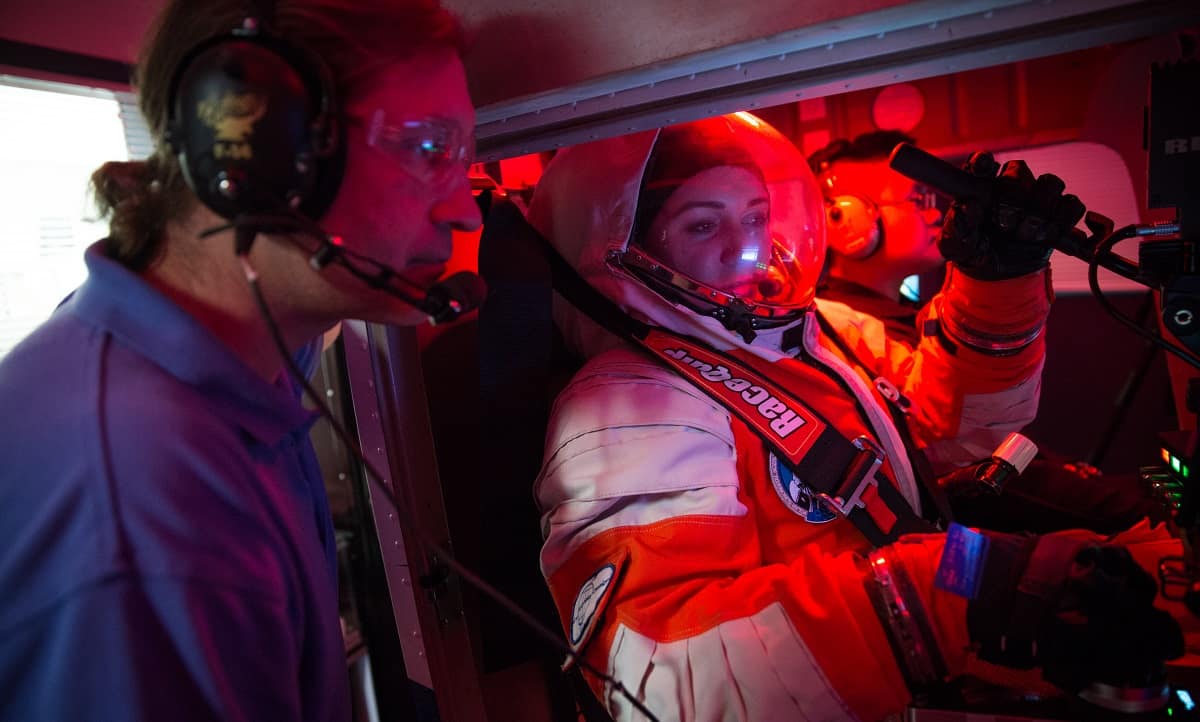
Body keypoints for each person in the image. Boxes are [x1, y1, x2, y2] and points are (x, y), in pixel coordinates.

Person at [527, 113, 1183, 720]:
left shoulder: (823, 333)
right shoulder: (627, 405)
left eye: (756, 217)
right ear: (619, 250)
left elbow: (955, 437)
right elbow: (664, 678)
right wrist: (968, 593)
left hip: (917, 676)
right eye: (704, 225)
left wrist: (997, 283)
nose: (746, 248)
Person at [0, 1, 480, 720]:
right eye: (429, 151)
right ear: (254, 158)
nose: (466, 211)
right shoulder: (146, 507)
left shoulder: (253, 345)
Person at [810, 131, 1166, 534]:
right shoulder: (834, 338)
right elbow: (952, 453)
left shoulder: (910, 314)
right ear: (844, 220)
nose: (935, 211)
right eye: (917, 199)